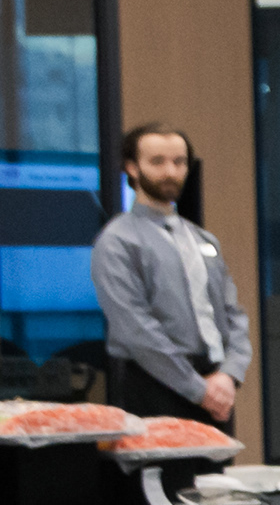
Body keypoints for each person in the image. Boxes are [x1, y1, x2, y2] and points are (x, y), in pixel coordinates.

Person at [89, 124, 248, 431]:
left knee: (219, 466)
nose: (170, 172)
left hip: (217, 385)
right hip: (154, 384)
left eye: (179, 162)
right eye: (157, 161)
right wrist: (199, 390)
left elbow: (234, 314)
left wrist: (229, 374)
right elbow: (136, 328)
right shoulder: (117, 241)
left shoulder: (203, 239)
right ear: (132, 168)